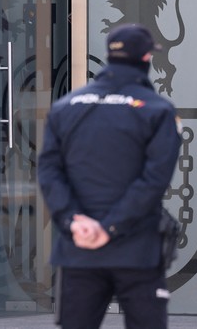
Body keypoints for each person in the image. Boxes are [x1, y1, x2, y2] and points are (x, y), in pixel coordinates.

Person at [37, 24, 182, 329]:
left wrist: (73, 220)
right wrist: (111, 227)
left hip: (79, 247)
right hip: (136, 249)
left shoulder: (65, 107)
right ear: (146, 57)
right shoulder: (158, 110)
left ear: (109, 57)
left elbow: (49, 171)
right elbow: (154, 180)